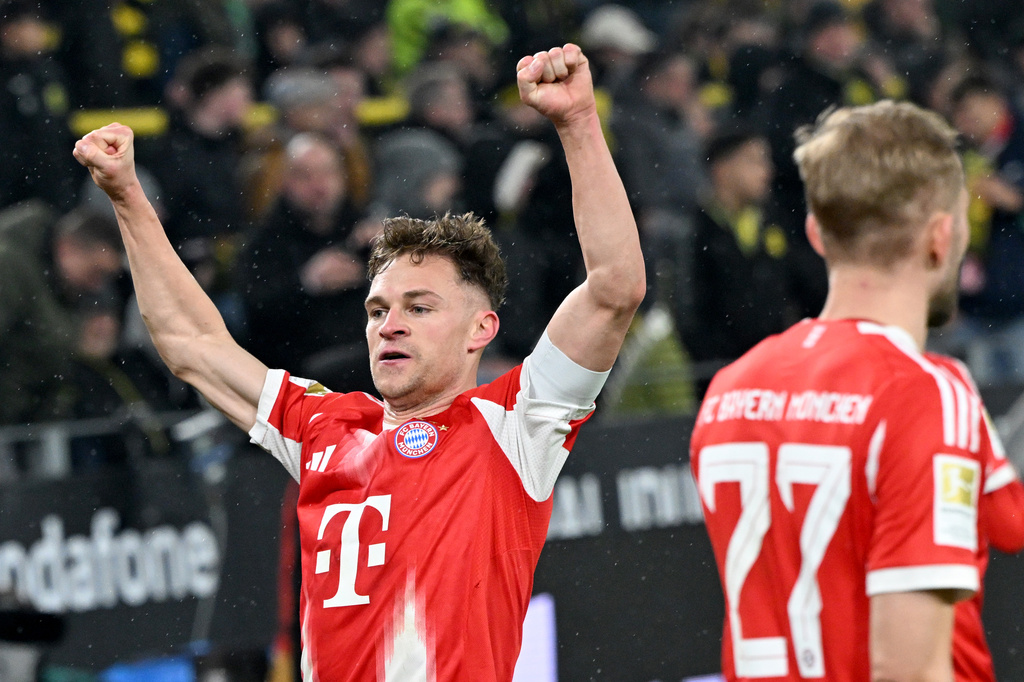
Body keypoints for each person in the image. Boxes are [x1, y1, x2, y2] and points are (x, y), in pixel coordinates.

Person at [74, 42, 645, 681]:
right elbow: (189, 343)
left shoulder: (516, 424)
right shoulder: (324, 426)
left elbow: (614, 289)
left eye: (419, 307)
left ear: (481, 329)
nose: (389, 325)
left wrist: (578, 123)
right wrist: (127, 197)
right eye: (377, 310)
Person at [690, 100, 1023, 681]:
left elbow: (1005, 522)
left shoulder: (730, 389)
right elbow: (910, 670)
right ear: (941, 237)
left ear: (816, 234)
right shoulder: (927, 394)